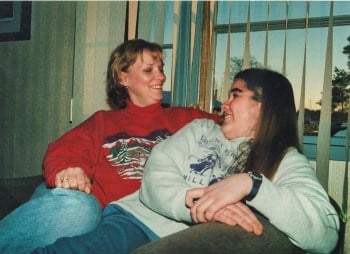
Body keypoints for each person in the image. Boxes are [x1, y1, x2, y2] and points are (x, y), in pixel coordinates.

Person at [33, 68, 339, 254]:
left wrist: (252, 184)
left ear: (265, 106)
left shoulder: (285, 160)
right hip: (140, 219)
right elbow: (156, 174)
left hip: (184, 241)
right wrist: (199, 203)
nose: (225, 104)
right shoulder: (200, 129)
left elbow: (325, 233)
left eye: (235, 94)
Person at [0, 39, 218, 253]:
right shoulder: (103, 121)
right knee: (78, 209)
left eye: (161, 69)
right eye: (148, 70)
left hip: (146, 220)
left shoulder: (188, 119)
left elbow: (237, 129)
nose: (160, 76)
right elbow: (64, 151)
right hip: (98, 215)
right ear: (124, 78)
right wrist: (68, 169)